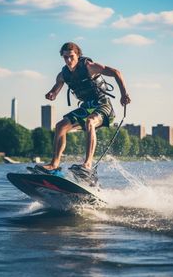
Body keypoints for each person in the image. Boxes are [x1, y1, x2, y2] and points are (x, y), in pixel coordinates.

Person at [37, 42, 131, 179]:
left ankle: (87, 165)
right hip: (87, 106)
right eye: (65, 57)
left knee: (90, 122)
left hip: (103, 105)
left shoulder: (89, 67)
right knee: (60, 126)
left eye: (71, 56)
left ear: (78, 55)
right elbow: (56, 88)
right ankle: (54, 165)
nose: (68, 60)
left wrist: (124, 94)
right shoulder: (63, 74)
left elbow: (116, 73)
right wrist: (51, 94)